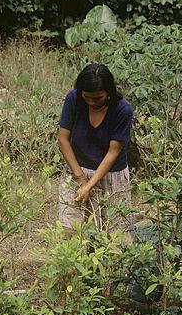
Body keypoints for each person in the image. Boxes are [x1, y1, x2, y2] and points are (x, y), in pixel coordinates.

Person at [57, 63, 134, 239]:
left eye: (98, 98)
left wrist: (89, 185)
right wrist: (80, 178)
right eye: (87, 97)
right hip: (76, 168)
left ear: (109, 93)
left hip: (110, 174)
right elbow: (63, 140)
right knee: (70, 229)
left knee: (113, 233)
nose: (91, 102)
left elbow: (113, 153)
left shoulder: (122, 110)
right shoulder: (74, 99)